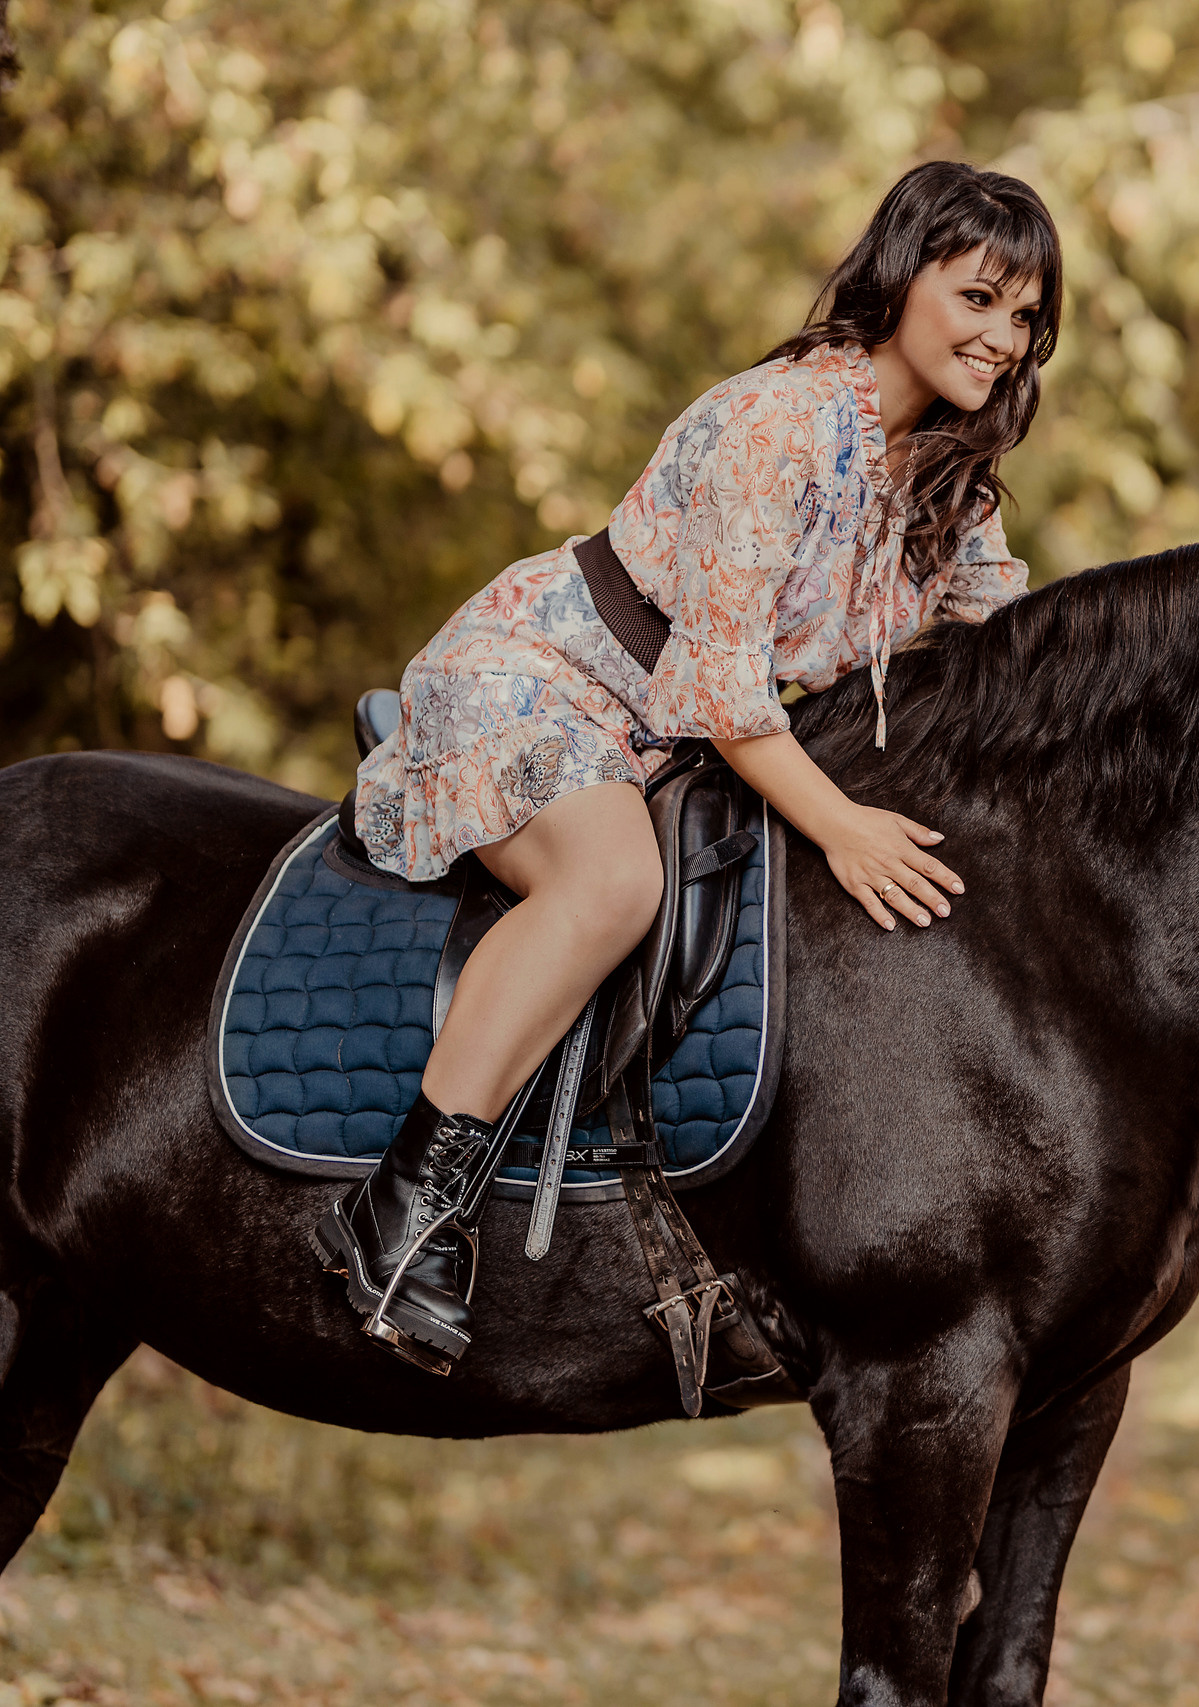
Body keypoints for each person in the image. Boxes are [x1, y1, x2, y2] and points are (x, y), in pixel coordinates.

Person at [314, 162, 1061, 1373]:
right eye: (980, 299)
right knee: (611, 885)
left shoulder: (944, 476)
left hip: (673, 738)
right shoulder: (779, 424)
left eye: (1025, 319)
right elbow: (719, 687)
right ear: (904, 275)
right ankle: (404, 1210)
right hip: (551, 674)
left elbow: (1005, 641)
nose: (1003, 338)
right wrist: (846, 830)